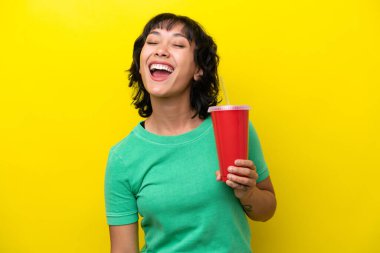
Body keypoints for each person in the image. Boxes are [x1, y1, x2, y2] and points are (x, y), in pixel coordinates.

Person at [104, 13, 276, 253]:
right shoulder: (123, 158)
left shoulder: (234, 130)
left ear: (198, 70)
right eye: (152, 42)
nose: (161, 50)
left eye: (177, 44)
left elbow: (267, 210)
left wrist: (249, 193)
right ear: (140, 66)